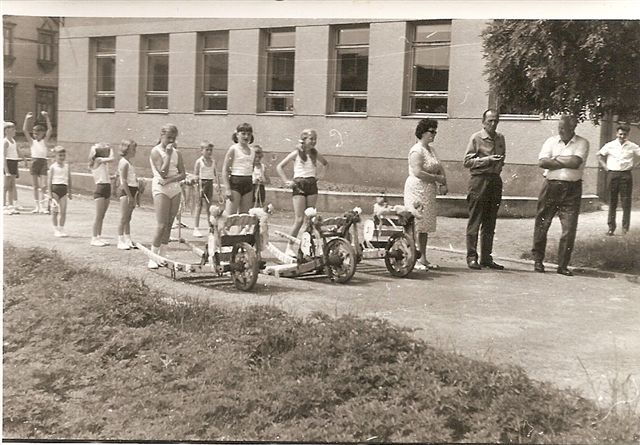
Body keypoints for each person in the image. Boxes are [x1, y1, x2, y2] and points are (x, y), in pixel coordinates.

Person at [531, 114, 589, 276]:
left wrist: (554, 160)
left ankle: (562, 265)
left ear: (573, 127)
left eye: (564, 128)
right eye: (559, 127)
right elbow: (542, 162)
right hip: (550, 187)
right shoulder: (550, 141)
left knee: (569, 228)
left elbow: (575, 162)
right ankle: (538, 260)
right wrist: (564, 161)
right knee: (542, 223)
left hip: (572, 190)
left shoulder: (582, 143)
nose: (561, 131)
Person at [463, 109, 506, 270]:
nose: (493, 124)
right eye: (490, 121)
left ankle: (486, 258)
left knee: (490, 222)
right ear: (483, 122)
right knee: (475, 220)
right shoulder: (476, 138)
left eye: (496, 121)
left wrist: (497, 165)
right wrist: (487, 160)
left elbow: (502, 158)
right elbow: (467, 161)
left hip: (494, 181)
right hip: (479, 181)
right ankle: (471, 257)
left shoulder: (500, 138)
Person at [404, 119, 447, 271]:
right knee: (415, 225)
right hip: (416, 189)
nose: (434, 134)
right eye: (431, 131)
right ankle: (412, 259)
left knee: (425, 226)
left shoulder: (431, 150)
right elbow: (418, 172)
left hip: (428, 191)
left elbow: (439, 167)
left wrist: (444, 182)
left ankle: (423, 258)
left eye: (435, 131)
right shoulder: (416, 150)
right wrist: (436, 178)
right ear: (422, 132)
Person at [276, 128, 328, 257]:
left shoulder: (315, 154)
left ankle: (310, 246)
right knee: (299, 219)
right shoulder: (296, 153)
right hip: (299, 185)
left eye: (315, 139)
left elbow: (326, 164)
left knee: (311, 219)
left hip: (311, 184)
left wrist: (320, 176)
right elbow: (279, 167)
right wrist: (286, 181)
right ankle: (289, 247)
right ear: (303, 140)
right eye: (311, 139)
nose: (314, 141)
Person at [148, 124, 186, 269]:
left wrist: (170, 180)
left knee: (169, 224)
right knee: (161, 224)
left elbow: (183, 174)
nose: (171, 141)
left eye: (173, 138)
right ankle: (153, 257)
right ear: (162, 135)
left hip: (174, 188)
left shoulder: (177, 153)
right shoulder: (155, 151)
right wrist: (168, 155)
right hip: (160, 188)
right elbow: (163, 173)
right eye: (169, 137)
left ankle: (162, 255)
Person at [597, 123, 640, 235]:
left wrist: (636, 165)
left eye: (624, 134)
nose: (622, 136)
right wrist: (605, 167)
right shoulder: (610, 145)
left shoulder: (632, 146)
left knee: (626, 202)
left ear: (628, 135)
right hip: (613, 174)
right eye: (620, 134)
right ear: (617, 133)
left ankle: (625, 228)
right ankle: (611, 228)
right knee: (612, 201)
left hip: (626, 175)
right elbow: (599, 155)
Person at [221, 123, 256, 215]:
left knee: (244, 216)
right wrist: (227, 189)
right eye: (243, 134)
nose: (246, 136)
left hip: (248, 183)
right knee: (230, 216)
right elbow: (225, 169)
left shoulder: (253, 151)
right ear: (237, 135)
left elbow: (252, 168)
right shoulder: (234, 149)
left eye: (249, 134)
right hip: (235, 183)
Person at [23, 111, 53, 214]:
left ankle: (42, 205)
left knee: (43, 185)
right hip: (34, 162)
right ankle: (37, 206)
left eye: (38, 134)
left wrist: (47, 117)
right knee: (35, 186)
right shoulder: (32, 142)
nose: (36, 135)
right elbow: (25, 130)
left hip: (43, 162)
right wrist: (27, 119)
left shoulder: (44, 141)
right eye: (34, 133)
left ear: (43, 134)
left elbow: (50, 129)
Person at [89, 142, 115, 247]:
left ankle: (98, 236)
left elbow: (104, 176)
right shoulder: (98, 160)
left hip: (107, 187)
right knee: (98, 216)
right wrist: (111, 148)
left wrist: (113, 177)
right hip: (100, 189)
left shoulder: (103, 163)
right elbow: (112, 159)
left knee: (102, 216)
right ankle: (94, 238)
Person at [192, 141, 218, 237]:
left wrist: (217, 185)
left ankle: (210, 227)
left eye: (211, 150)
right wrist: (198, 187)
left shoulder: (213, 161)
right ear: (201, 151)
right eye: (207, 150)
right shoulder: (199, 162)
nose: (209, 152)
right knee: (198, 206)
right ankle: (196, 228)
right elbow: (195, 175)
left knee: (209, 207)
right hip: (200, 184)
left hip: (209, 184)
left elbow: (216, 174)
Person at [116, 139, 139, 250]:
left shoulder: (129, 162)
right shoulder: (124, 162)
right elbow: (124, 181)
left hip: (132, 190)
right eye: (133, 149)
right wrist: (130, 196)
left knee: (128, 217)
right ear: (127, 149)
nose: (135, 151)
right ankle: (120, 240)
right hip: (126, 191)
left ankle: (128, 239)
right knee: (123, 217)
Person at [47, 146, 72, 237]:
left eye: (63, 155)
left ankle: (61, 228)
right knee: (55, 211)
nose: (62, 157)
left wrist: (70, 192)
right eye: (60, 155)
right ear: (55, 156)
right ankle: (55, 229)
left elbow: (69, 179)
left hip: (64, 190)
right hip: (55, 189)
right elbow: (49, 181)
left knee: (63, 211)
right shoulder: (53, 167)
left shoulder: (67, 166)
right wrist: (50, 194)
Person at [3, 122, 20, 214]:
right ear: (6, 131)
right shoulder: (5, 142)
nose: (15, 131)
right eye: (13, 129)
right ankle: (3, 205)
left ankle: (10, 205)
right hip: (8, 163)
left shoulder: (13, 140)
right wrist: (6, 170)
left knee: (12, 185)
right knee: (5, 186)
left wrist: (24, 159)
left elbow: (16, 151)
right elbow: (3, 157)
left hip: (14, 162)